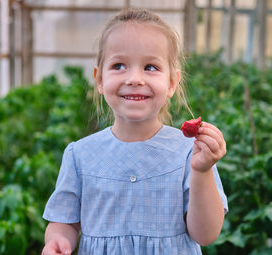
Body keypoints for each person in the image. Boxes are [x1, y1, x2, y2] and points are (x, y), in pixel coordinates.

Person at [41, 7, 228, 255]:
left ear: (172, 82)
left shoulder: (190, 154)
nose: (134, 78)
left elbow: (205, 234)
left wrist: (202, 171)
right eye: (119, 65)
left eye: (150, 67)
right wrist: (59, 241)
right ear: (99, 80)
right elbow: (65, 221)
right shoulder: (80, 155)